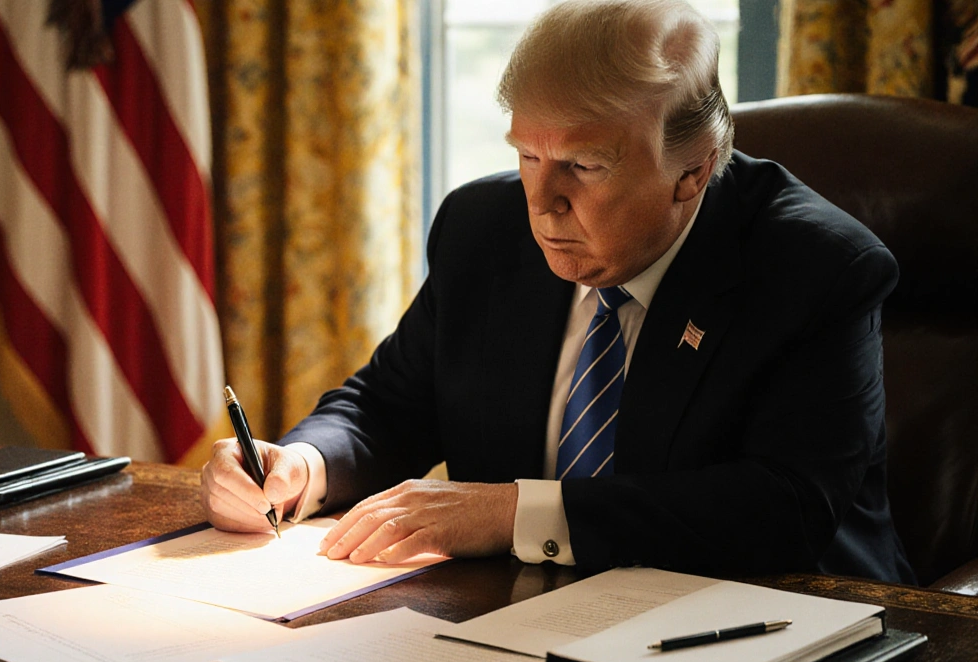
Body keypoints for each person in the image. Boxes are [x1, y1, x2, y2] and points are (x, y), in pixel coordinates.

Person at [200, 0, 915, 583]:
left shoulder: (815, 267)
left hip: (788, 638)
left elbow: (782, 511)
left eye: (584, 165)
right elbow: (388, 406)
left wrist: (514, 514)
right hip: (517, 629)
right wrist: (300, 465)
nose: (541, 202)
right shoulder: (483, 228)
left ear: (693, 172)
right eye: (527, 155)